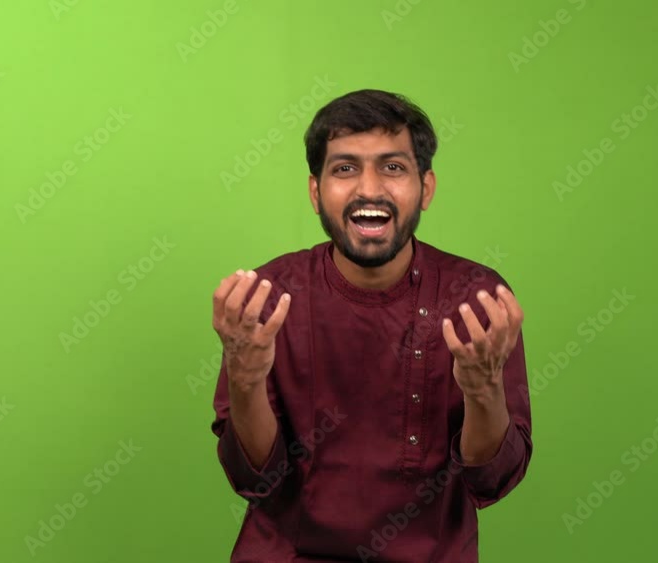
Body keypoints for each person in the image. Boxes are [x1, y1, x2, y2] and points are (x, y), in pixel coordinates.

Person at [210, 89, 532, 562]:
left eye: (393, 167)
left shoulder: (475, 300)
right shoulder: (267, 299)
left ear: (426, 188)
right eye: (345, 168)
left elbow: (492, 480)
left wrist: (484, 389)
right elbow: (254, 478)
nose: (369, 189)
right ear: (315, 192)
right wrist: (245, 377)